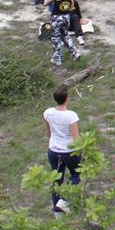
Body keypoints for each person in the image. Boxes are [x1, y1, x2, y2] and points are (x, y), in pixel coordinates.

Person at [44, 85, 80, 214]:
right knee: (76, 175)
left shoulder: (48, 113)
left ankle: (57, 212)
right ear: (67, 99)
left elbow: (49, 132)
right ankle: (63, 202)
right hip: (69, 151)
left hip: (53, 150)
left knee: (57, 180)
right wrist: (82, 152)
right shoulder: (71, 116)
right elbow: (76, 137)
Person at [43, 0, 81, 66]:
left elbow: (45, 3)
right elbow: (71, 7)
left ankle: (57, 58)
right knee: (65, 35)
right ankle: (75, 52)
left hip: (57, 18)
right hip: (66, 18)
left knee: (55, 38)